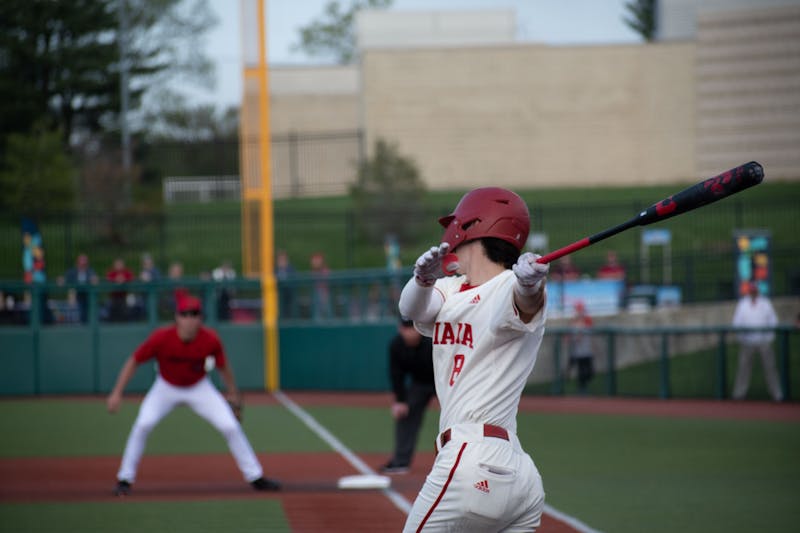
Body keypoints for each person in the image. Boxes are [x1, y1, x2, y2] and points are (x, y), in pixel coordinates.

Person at [398, 186, 548, 531]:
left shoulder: (513, 283)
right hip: (518, 475)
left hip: (472, 457)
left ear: (470, 227)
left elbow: (526, 303)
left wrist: (530, 287)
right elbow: (411, 309)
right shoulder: (451, 287)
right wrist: (421, 280)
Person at [106, 294, 280, 496]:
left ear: (200, 318)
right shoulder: (162, 338)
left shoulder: (210, 339)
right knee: (143, 424)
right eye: (185, 314)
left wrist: (233, 394)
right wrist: (117, 393)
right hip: (166, 387)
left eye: (195, 314)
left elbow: (224, 367)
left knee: (230, 426)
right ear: (177, 317)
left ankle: (256, 477)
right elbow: (134, 361)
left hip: (199, 387)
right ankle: (124, 479)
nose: (190, 319)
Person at [380, 317, 435, 474]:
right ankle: (401, 461)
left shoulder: (431, 341)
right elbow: (396, 374)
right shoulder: (396, 345)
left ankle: (461, 461)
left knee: (457, 416)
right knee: (405, 414)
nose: (410, 332)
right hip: (420, 383)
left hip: (442, 382)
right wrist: (400, 401)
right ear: (400, 329)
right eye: (406, 328)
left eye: (412, 328)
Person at [731, 283, 782, 402]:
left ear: (757, 291)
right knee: (743, 369)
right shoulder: (743, 304)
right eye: (751, 291)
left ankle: (777, 394)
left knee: (770, 368)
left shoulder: (765, 303)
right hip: (747, 342)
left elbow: (773, 321)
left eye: (755, 291)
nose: (753, 293)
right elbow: (737, 323)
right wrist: (742, 338)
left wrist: (769, 338)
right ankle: (739, 394)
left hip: (763, 341)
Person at [59, 253, 98, 324]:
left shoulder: (90, 271)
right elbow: (63, 279)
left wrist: (94, 280)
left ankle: (89, 321)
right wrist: (61, 280)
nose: (83, 265)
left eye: (85, 264)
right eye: (81, 263)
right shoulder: (72, 271)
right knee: (76, 298)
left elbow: (94, 279)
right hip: (76, 294)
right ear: (77, 263)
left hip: (87, 294)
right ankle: (81, 321)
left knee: (89, 302)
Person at [567, 301, 595, 394]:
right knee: (581, 372)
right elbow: (570, 338)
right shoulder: (573, 323)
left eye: (580, 310)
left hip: (587, 352)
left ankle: (583, 388)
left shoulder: (587, 321)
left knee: (590, 372)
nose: (579, 312)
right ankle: (581, 389)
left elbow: (590, 326)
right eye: (578, 310)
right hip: (578, 353)